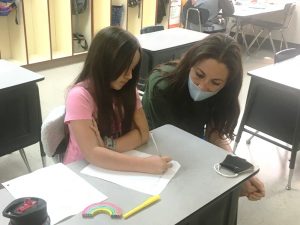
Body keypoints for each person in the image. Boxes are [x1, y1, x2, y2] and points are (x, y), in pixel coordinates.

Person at [142, 33, 265, 200]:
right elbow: (171, 146)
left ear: (226, 84)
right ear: (190, 64)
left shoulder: (224, 94)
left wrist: (238, 169)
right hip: (155, 151)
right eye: (199, 75)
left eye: (215, 83)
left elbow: (215, 134)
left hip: (191, 146)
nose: (203, 86)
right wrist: (223, 179)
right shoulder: (162, 86)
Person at [63, 26, 172, 174]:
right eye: (125, 69)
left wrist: (107, 146)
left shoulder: (127, 90)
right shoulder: (79, 96)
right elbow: (92, 154)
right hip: (81, 171)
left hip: (114, 165)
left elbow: (143, 133)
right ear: (105, 64)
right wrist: (146, 165)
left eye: (132, 69)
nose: (130, 76)